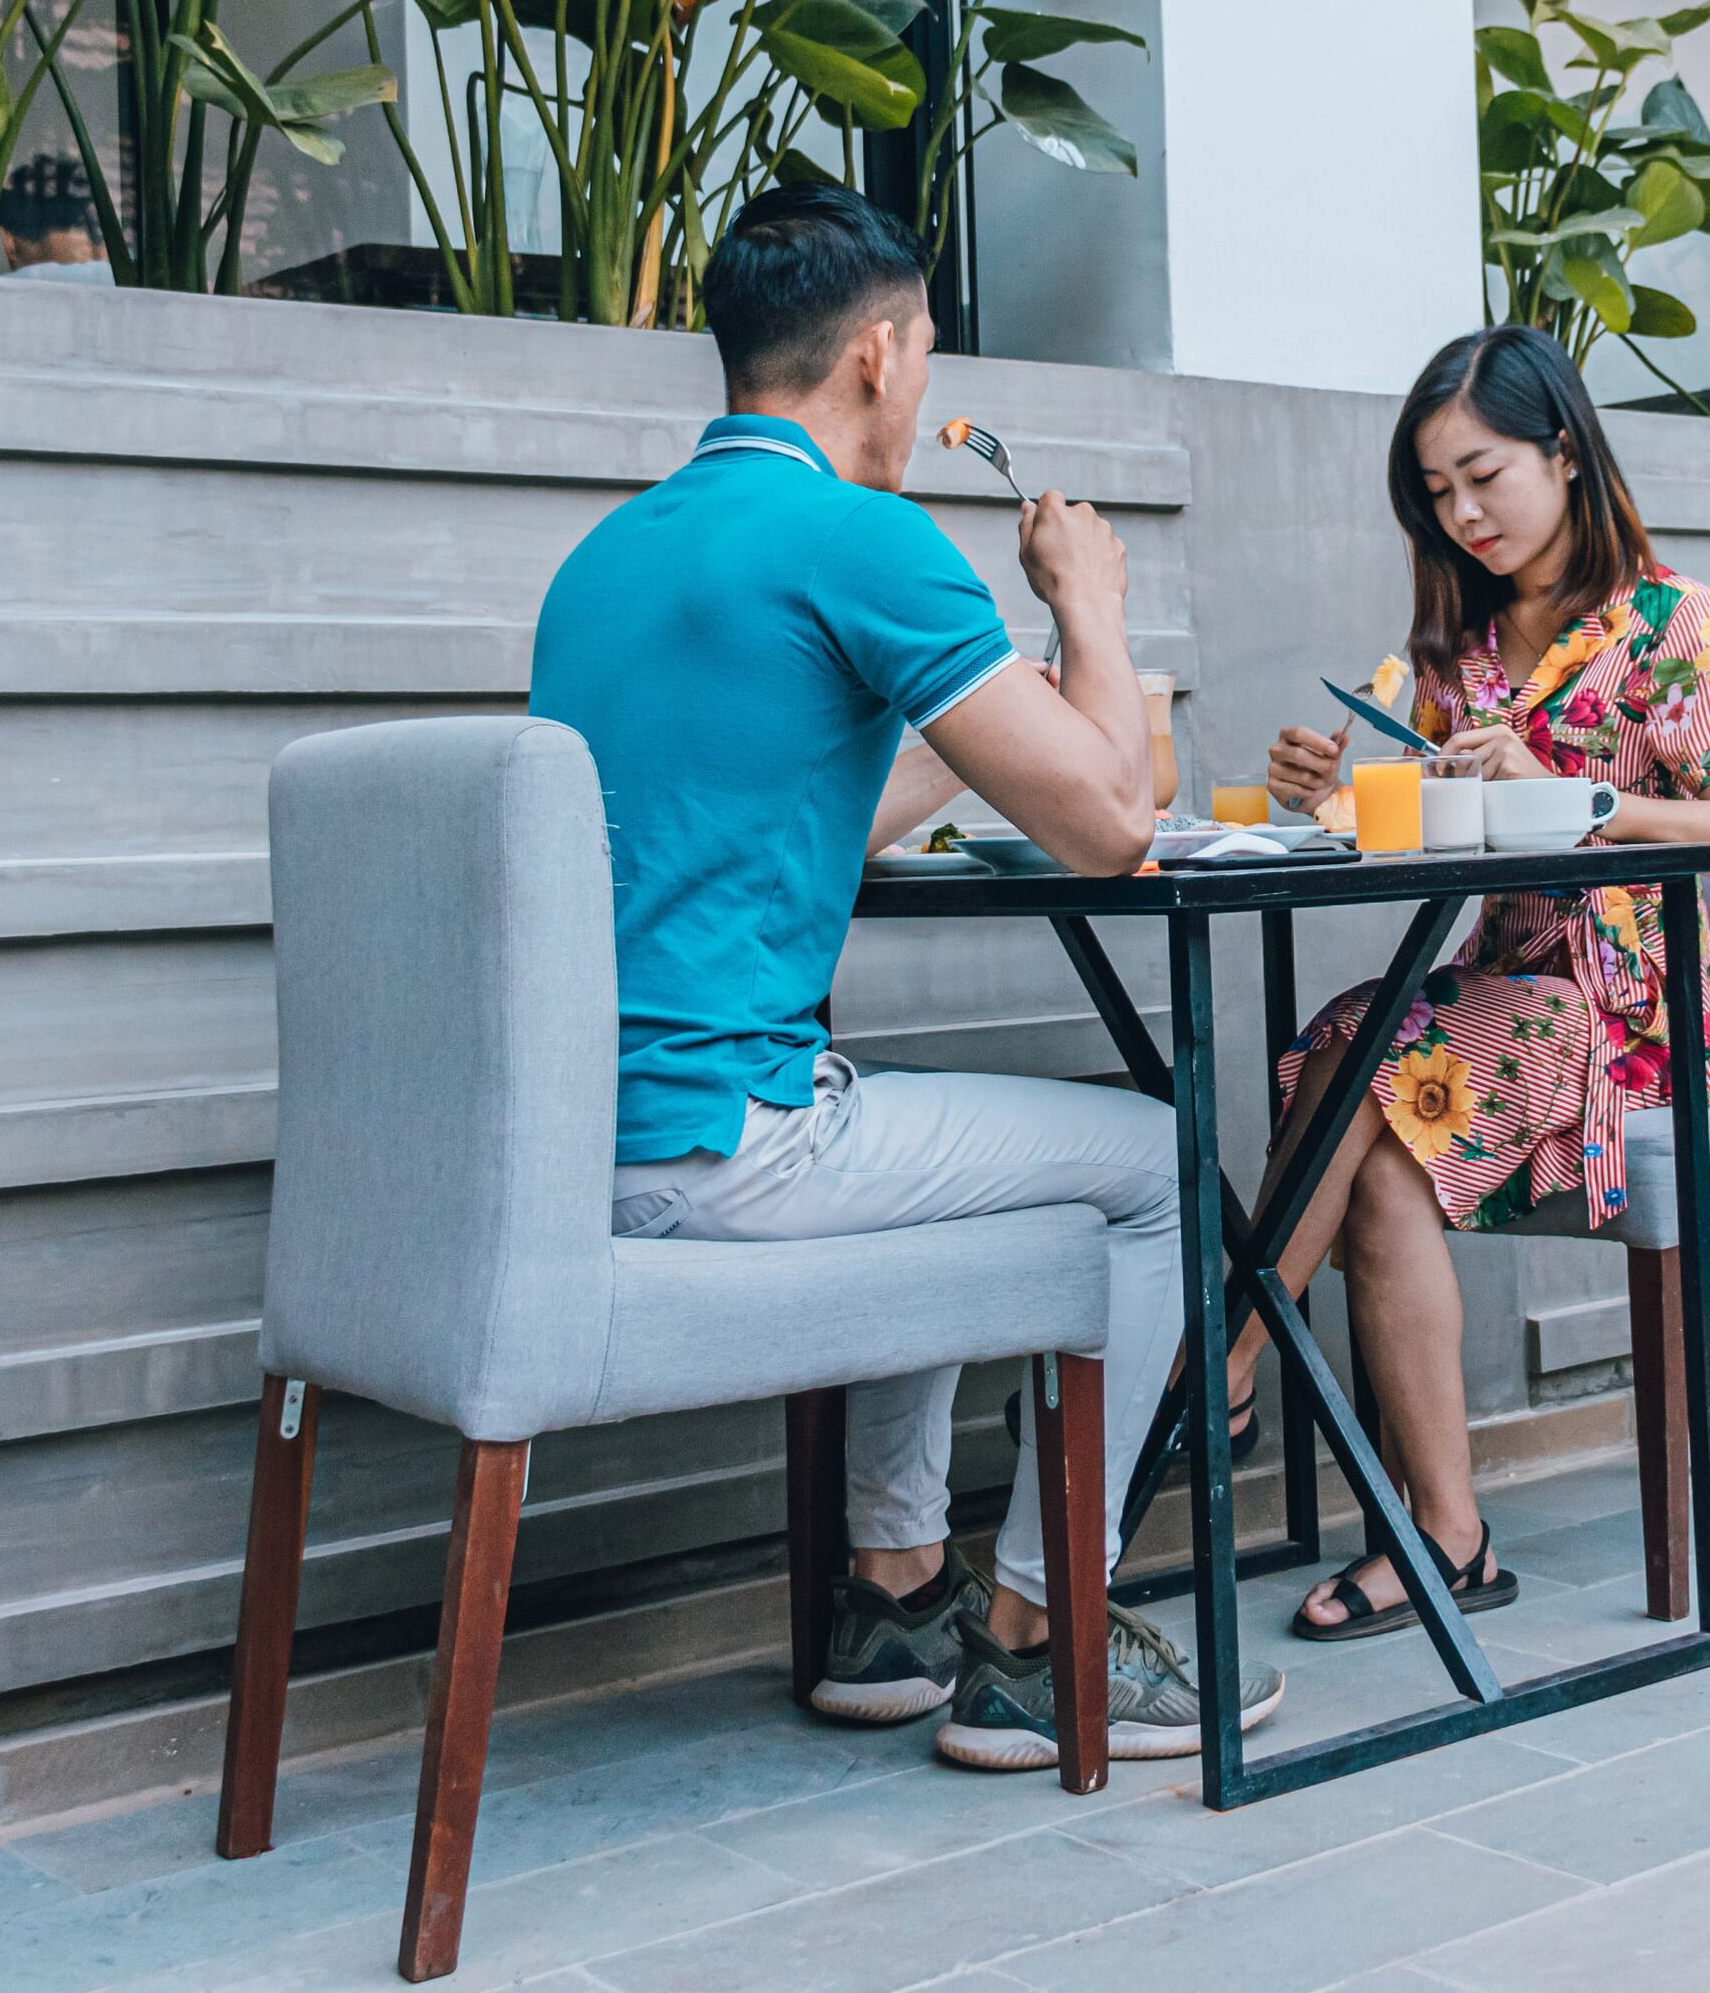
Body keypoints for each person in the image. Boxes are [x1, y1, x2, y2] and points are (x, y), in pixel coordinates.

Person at [529, 184, 1278, 1770]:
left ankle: (893, 1597)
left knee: (931, 1147)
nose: (925, 385)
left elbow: (793, 804)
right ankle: (1038, 1638)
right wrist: (1087, 602)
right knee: (1157, 1160)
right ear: (877, 355)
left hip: (577, 1149)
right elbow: (1108, 825)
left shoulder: (607, 560)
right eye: (927, 353)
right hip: (730, 1144)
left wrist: (952, 710)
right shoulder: (863, 538)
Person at [1251, 325, 1710, 1639]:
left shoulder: (1672, 621)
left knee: (1372, 1058)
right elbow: (1429, 824)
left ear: (1562, 449)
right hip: (1500, 1003)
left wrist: (1581, 798)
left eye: (1482, 475)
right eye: (1435, 495)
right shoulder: (1459, 652)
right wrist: (1335, 798)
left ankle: (1230, 1361)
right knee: (1352, 1064)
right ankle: (1449, 1539)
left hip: (1633, 1018)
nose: (1462, 513)